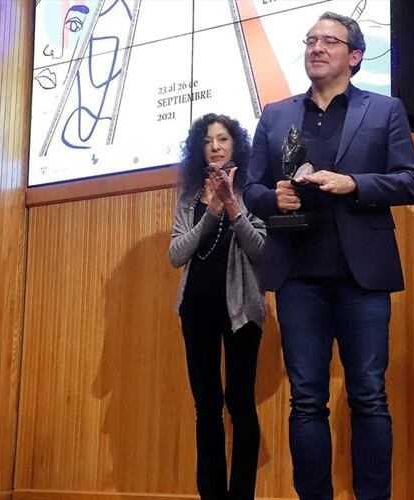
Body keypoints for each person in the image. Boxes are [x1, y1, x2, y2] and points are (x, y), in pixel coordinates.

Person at [242, 11, 414, 500]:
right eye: (311, 40)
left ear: (355, 56)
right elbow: (251, 189)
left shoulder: (384, 110)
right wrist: (273, 198)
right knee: (306, 401)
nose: (316, 48)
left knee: (369, 395)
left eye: (329, 41)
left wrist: (353, 183)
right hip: (297, 276)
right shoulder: (276, 114)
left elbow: (410, 183)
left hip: (362, 277)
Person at [168, 114, 267, 500]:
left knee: (240, 404)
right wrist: (210, 213)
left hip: (242, 312)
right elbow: (176, 254)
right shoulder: (189, 198)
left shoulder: (253, 193)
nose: (215, 146)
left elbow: (262, 252)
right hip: (195, 311)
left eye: (223, 139)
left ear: (235, 144)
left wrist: (232, 207)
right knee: (205, 407)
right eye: (208, 140)